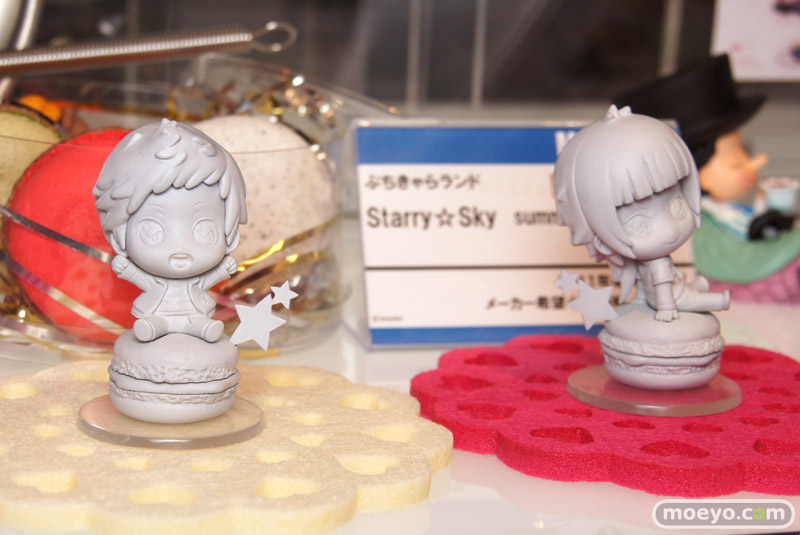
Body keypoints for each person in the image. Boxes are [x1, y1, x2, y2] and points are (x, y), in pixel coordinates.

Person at [553, 105, 729, 322]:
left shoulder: (656, 264)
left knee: (694, 293)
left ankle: (708, 294)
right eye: (640, 225)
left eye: (677, 206)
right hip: (668, 299)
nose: (671, 230)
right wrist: (665, 308)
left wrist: (664, 304)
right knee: (699, 299)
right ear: (602, 240)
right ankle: (719, 300)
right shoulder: (656, 265)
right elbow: (659, 290)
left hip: (672, 293)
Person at [93, 119, 247, 342]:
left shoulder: (197, 283)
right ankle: (151, 329)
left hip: (195, 312)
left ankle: (204, 330)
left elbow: (210, 280)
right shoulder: (154, 283)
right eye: (152, 231)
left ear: (230, 235)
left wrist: (224, 270)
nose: (180, 246)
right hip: (158, 310)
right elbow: (138, 278)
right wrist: (126, 269)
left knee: (201, 325)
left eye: (204, 229)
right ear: (118, 237)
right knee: (153, 325)